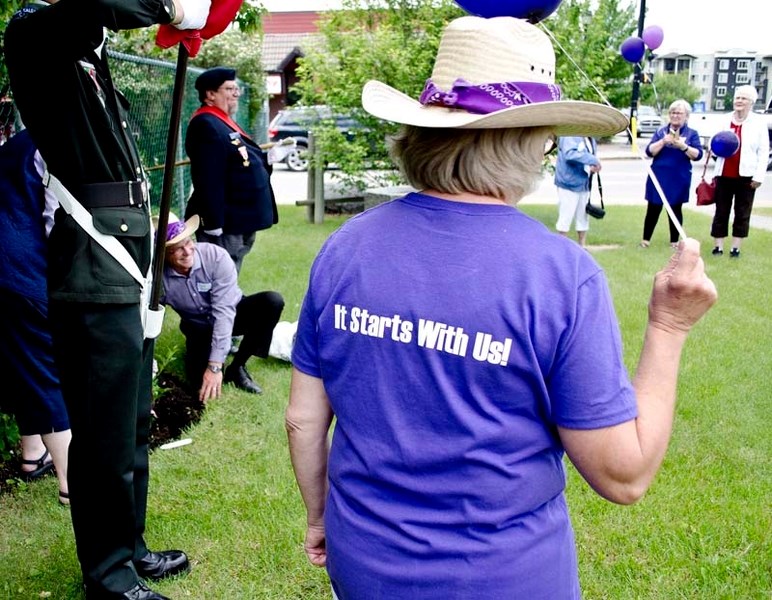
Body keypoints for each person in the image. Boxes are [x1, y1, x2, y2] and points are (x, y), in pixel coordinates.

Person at [285, 16, 717, 600]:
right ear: (526, 141)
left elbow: (304, 419)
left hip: (363, 562)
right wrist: (668, 326)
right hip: (503, 578)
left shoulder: (345, 248)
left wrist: (319, 515)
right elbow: (624, 474)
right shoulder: (560, 274)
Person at [4, 1, 213, 598]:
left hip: (129, 256)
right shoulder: (35, 33)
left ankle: (129, 547)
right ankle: (108, 576)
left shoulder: (90, 60)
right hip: (93, 266)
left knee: (130, 420)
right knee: (101, 435)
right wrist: (169, 3)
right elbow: (100, 7)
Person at [0, 128, 71, 505]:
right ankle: (70, 484)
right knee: (49, 371)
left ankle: (32, 457)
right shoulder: (54, 142)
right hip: (25, 272)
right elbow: (56, 220)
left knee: (22, 365)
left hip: (4, 268)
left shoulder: (17, 143)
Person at [161, 215, 285, 401]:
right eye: (177, 249)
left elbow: (224, 312)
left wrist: (215, 366)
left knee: (272, 302)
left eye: (188, 242)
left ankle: (237, 367)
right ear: (164, 254)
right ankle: (204, 356)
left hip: (232, 313)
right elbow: (150, 318)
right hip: (198, 327)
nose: (187, 251)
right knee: (197, 384)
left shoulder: (216, 257)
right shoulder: (158, 278)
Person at [184, 66, 279, 274]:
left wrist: (267, 160)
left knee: (229, 275)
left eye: (237, 89)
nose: (236, 94)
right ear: (210, 94)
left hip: (241, 217)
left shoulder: (222, 122)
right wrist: (212, 220)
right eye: (229, 89)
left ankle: (227, 307)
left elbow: (239, 162)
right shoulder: (205, 124)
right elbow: (208, 177)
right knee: (220, 277)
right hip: (226, 220)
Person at [709, 84, 770, 258]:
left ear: (751, 102)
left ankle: (735, 247)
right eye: (737, 97)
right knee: (721, 210)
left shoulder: (758, 123)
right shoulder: (724, 120)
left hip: (746, 176)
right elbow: (713, 144)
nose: (739, 101)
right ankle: (718, 246)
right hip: (724, 173)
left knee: (742, 212)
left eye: (743, 98)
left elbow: (763, 151)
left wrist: (759, 176)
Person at [640, 99, 703, 249]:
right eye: (673, 112)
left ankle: (674, 241)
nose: (675, 116)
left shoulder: (692, 134)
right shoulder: (661, 132)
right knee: (653, 207)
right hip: (659, 176)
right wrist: (663, 141)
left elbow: (698, 155)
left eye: (679, 113)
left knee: (675, 208)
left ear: (686, 116)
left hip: (679, 177)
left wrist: (683, 146)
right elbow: (649, 151)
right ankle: (645, 240)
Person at [554, 135, 601, 247]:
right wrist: (593, 160)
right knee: (566, 215)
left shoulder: (590, 137)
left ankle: (582, 246)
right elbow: (570, 154)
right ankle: (562, 247)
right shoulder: (569, 135)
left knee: (583, 216)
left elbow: (587, 154)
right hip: (568, 182)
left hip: (583, 182)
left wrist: (592, 167)